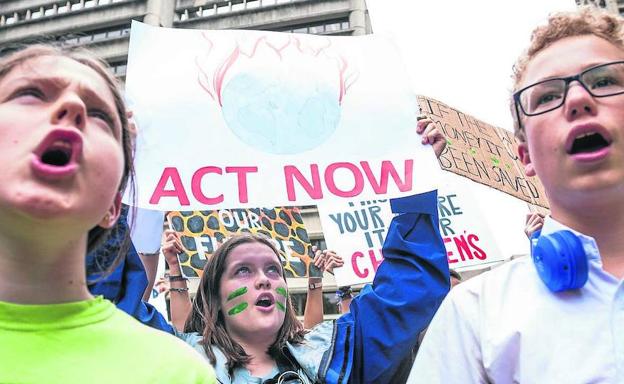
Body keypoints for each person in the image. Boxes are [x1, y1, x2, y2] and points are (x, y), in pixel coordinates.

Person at [409, 7, 624, 383]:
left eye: (604, 80)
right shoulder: (475, 315)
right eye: (545, 98)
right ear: (525, 155)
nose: (577, 100)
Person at [165, 120, 450, 383]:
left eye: (273, 270)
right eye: (243, 270)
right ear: (214, 294)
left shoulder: (333, 356)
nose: (265, 280)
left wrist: (416, 182)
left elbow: (408, 291)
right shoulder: (175, 361)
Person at [0, 44, 215, 383]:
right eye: (29, 94)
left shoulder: (176, 372)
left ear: (114, 207)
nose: (71, 106)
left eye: (100, 116)